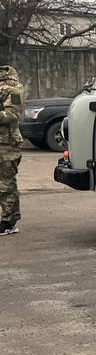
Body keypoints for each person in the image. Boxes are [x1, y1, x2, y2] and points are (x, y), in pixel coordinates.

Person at [0, 62, 26, 236]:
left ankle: (8, 222)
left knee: (5, 184)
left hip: (6, 145)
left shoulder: (14, 88)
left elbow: (12, 114)